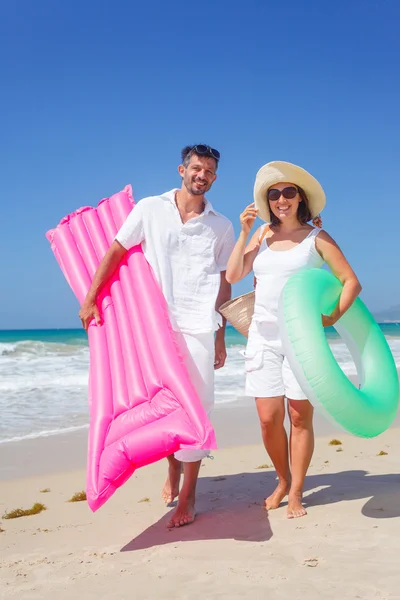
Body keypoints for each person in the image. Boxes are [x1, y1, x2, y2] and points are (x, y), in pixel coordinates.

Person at [79, 145, 235, 528]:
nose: (202, 175)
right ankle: (172, 470)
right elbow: (117, 251)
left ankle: (189, 494)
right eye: (196, 168)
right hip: (156, 327)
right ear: (182, 169)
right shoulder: (149, 209)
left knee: (198, 409)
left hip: (199, 326)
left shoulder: (222, 226)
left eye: (210, 171)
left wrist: (220, 334)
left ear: (215, 177)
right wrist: (90, 298)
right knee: (168, 407)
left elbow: (224, 281)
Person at [226, 161, 361, 519]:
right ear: (267, 202)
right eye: (274, 194)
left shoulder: (317, 238)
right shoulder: (261, 236)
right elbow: (235, 273)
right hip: (263, 336)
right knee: (269, 419)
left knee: (299, 418)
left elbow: (351, 282)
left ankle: (297, 489)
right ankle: (282, 479)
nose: (281, 199)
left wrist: (331, 317)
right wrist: (244, 233)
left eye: (288, 192)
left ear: (300, 198)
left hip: (303, 340)